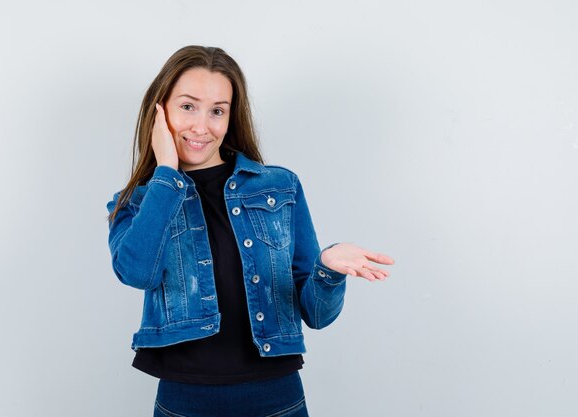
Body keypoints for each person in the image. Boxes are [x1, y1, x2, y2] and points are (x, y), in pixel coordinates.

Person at [106, 45, 394, 417]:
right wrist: (166, 173)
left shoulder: (279, 186)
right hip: (185, 401)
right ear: (159, 111)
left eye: (217, 111)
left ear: (230, 117)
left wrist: (328, 269)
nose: (201, 126)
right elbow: (137, 271)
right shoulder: (136, 203)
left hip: (277, 399)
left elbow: (317, 315)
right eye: (188, 106)